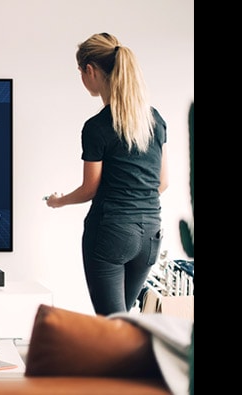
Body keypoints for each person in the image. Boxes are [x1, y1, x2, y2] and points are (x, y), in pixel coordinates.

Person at [45, 33, 168, 316]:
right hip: (151, 232)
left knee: (111, 325)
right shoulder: (154, 120)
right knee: (122, 322)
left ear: (91, 70)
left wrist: (59, 201)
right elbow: (163, 182)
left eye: (80, 72)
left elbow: (90, 188)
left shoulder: (97, 127)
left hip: (111, 231)